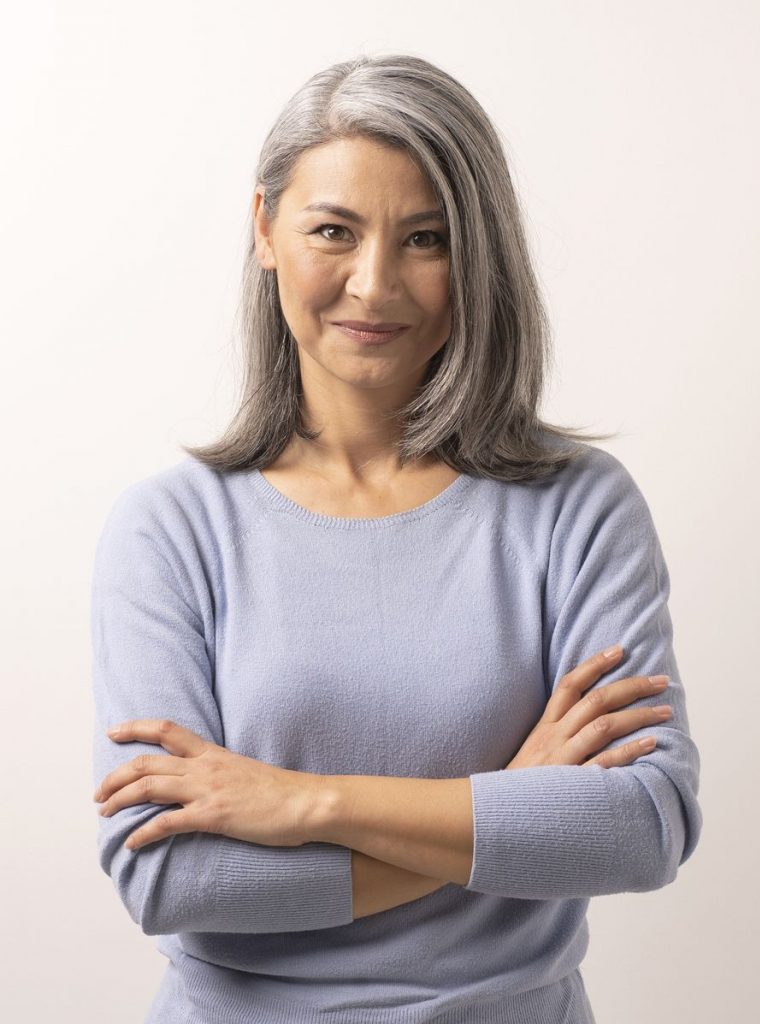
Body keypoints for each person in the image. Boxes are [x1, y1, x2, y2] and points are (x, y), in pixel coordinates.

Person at [90, 53, 702, 1024]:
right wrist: (506, 805)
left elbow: (641, 827)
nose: (373, 285)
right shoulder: (172, 528)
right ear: (265, 230)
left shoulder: (577, 506)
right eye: (333, 230)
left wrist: (310, 803)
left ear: (476, 255)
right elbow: (173, 878)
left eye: (426, 238)